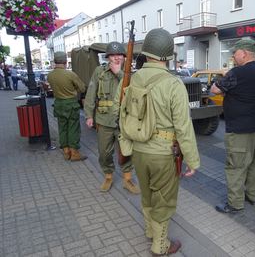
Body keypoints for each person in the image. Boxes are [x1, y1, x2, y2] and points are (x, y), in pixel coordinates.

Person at [117, 28, 200, 256]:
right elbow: (183, 128)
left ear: (146, 52)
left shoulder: (132, 79)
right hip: (163, 154)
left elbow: (123, 113)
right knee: (163, 200)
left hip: (138, 150)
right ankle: (160, 245)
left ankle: (149, 231)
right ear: (169, 54)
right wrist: (192, 160)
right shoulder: (173, 84)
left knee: (147, 194)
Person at [211, 37, 255, 214]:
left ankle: (235, 203)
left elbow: (215, 89)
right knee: (254, 163)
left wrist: (224, 75)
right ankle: (252, 196)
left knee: (236, 166)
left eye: (234, 53)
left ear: (244, 53)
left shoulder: (238, 72)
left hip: (241, 129)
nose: (233, 57)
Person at [84, 41, 140, 194]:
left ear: (124, 57)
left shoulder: (130, 74)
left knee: (126, 151)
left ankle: (127, 179)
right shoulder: (99, 72)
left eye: (119, 55)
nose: (116, 58)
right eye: (113, 55)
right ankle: (108, 176)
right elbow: (91, 94)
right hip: (104, 119)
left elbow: (135, 92)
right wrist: (89, 115)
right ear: (108, 57)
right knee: (104, 152)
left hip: (124, 121)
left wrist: (120, 73)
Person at [47, 52, 87, 161]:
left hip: (58, 104)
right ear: (65, 61)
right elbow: (82, 88)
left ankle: (66, 151)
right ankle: (74, 153)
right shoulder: (70, 74)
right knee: (73, 128)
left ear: (55, 61)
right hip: (70, 104)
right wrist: (74, 89)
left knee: (62, 128)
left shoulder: (50, 75)